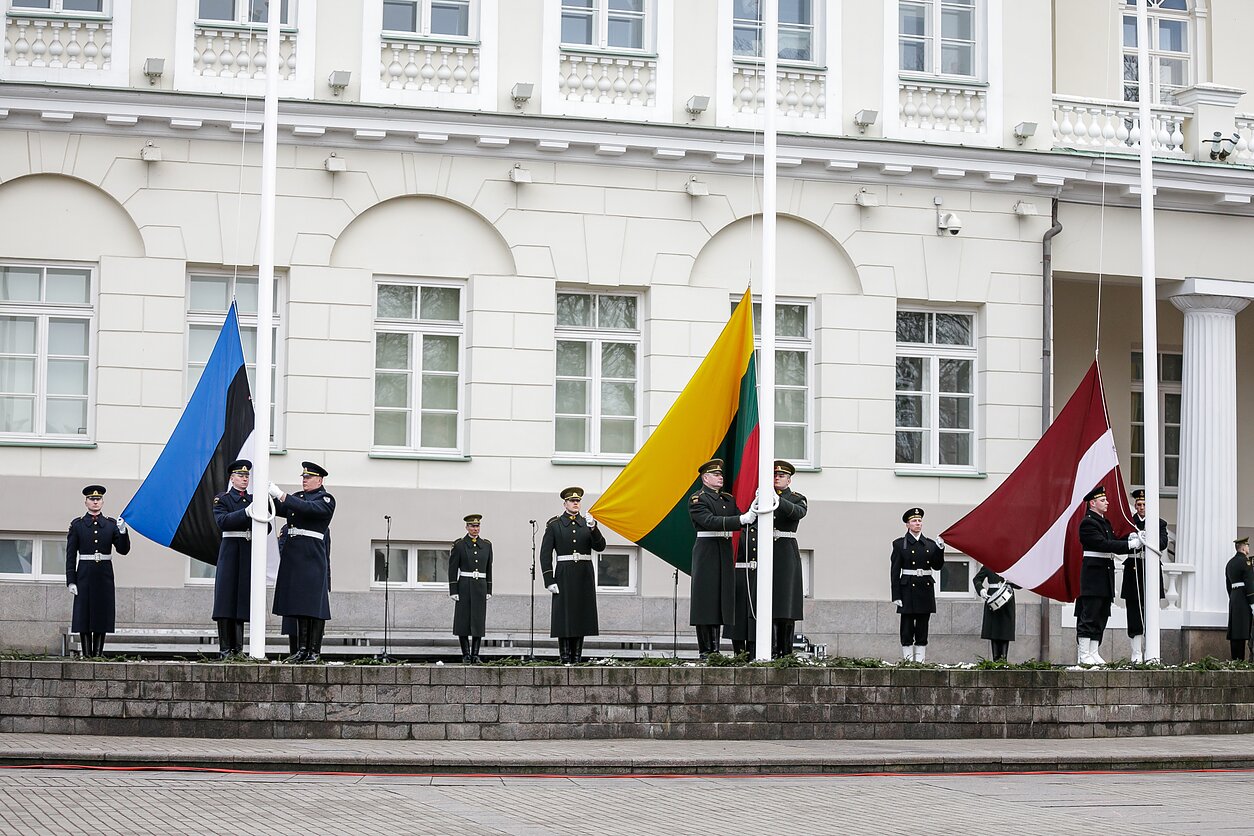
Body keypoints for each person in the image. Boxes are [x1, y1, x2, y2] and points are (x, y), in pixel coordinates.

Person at [689, 459, 755, 659]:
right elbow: (709, 521)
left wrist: (755, 510)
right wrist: (741, 519)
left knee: (720, 601)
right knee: (706, 601)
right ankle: (707, 650)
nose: (720, 477)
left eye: (721, 475)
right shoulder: (698, 499)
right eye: (716, 475)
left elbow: (741, 518)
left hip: (724, 551)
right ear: (705, 478)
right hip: (707, 551)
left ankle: (716, 650)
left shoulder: (727, 499)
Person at [269, 462, 334, 663]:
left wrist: (281, 494)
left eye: (308, 477)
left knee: (313, 605)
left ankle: (314, 651)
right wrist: (265, 494)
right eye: (303, 477)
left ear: (320, 480)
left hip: (312, 555)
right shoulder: (298, 497)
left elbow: (309, 509)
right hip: (294, 556)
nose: (304, 480)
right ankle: (302, 650)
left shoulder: (325, 499)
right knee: (298, 604)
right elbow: (280, 508)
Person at [540, 487, 606, 664]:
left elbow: (600, 547)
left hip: (584, 573)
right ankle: (564, 656)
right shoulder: (554, 525)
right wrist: (549, 580)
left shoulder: (587, 523)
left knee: (581, 615)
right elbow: (545, 554)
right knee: (564, 616)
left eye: (578, 501)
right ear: (565, 503)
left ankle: (577, 656)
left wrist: (594, 528)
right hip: (564, 573)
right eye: (572, 501)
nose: (575, 503)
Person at [1076, 485, 1140, 665]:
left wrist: (1130, 539)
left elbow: (1112, 542)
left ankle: (1093, 651)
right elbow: (1103, 544)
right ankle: (1083, 653)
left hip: (1105, 574)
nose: (1107, 503)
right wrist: (1129, 546)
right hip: (1093, 575)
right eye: (1103, 500)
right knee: (1090, 614)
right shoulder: (1088, 523)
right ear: (1093, 503)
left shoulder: (1104, 522)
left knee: (1101, 614)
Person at [65, 485, 131, 659]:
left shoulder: (110, 525)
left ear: (102, 502)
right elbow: (71, 555)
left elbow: (123, 550)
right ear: (86, 502)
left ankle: (98, 654)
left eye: (98, 499)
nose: (95, 502)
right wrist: (71, 580)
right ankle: (86, 654)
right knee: (83, 616)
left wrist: (123, 531)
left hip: (104, 575)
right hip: (84, 574)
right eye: (92, 499)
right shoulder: (78, 525)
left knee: (102, 614)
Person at [211, 459, 256, 659]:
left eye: (247, 476)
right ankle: (225, 648)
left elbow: (266, 527)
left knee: (241, 601)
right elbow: (223, 522)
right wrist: (246, 513)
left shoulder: (254, 499)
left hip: (246, 551)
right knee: (225, 600)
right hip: (230, 552)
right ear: (232, 478)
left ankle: (238, 649)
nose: (244, 479)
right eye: (240, 475)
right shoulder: (223, 499)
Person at [889, 507, 945, 663]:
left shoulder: (930, 544)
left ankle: (920, 661)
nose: (918, 523)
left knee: (922, 626)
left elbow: (937, 566)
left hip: (925, 588)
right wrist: (896, 595)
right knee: (907, 627)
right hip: (907, 589)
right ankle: (907, 660)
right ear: (907, 525)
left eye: (919, 521)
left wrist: (940, 549)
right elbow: (894, 572)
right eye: (914, 521)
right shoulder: (900, 544)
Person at [1122, 488, 1168, 663]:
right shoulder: (1129, 523)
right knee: (1134, 610)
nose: (1141, 508)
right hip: (1133, 568)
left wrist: (1148, 538)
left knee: (1150, 611)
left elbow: (1163, 543)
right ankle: (1136, 652)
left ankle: (1151, 650)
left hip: (1150, 570)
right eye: (1139, 504)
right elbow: (1121, 540)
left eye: (1144, 504)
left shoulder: (1159, 523)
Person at [449, 513, 493, 664]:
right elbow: (452, 569)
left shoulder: (486, 545)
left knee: (478, 621)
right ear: (466, 527)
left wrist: (488, 589)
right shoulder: (460, 545)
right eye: (472, 526)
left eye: (477, 525)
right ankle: (466, 654)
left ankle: (475, 654)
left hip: (480, 586)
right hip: (464, 585)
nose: (475, 528)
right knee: (463, 621)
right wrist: (453, 590)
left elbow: (489, 568)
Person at [973, 564, 1016, 661]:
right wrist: (981, 590)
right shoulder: (989, 564)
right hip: (993, 597)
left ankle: (1004, 659)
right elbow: (976, 579)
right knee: (994, 631)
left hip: (1007, 598)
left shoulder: (1011, 564)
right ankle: (995, 659)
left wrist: (1012, 581)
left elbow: (1020, 584)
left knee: (1005, 630)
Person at [1225, 537, 1254, 661]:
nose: (1248, 548)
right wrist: (1252, 603)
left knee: (1235, 630)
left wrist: (1233, 596)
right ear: (1243, 547)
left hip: (1234, 597)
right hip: (1243, 597)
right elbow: (1249, 583)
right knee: (1242, 630)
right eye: (1247, 546)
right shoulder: (1246, 562)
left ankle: (1235, 659)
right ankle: (1241, 660)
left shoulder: (1230, 563)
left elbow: (1228, 584)